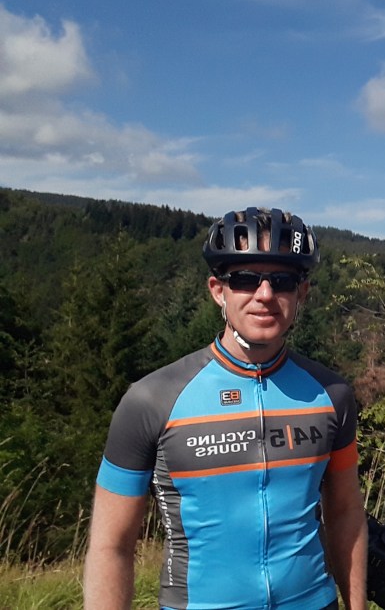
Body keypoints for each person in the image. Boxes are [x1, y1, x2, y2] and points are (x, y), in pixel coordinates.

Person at [84, 207, 367, 610]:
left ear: (301, 293)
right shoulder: (152, 400)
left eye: (282, 281)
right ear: (218, 290)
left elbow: (345, 513)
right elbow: (111, 545)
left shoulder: (332, 394)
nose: (265, 295)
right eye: (246, 279)